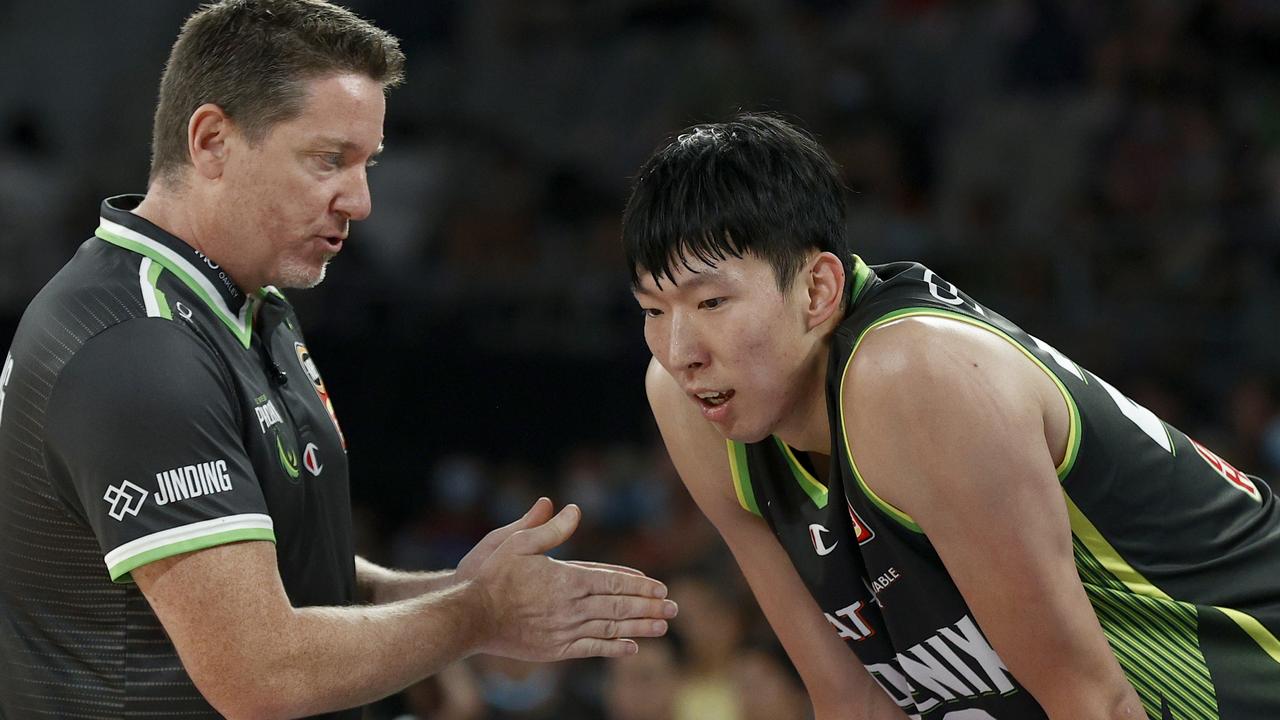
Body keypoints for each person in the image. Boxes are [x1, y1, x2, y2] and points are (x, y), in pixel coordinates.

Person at [0, 2, 675, 718]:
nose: (360, 200)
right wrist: (474, 618)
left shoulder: (247, 303)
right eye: (329, 160)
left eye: (367, 163)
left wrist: (457, 597)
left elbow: (288, 570)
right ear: (211, 141)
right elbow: (260, 674)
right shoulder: (138, 347)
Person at [621, 112, 1280, 719]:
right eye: (654, 310)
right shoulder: (688, 404)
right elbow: (853, 702)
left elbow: (1096, 703)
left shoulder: (915, 377)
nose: (681, 353)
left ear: (818, 289)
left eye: (711, 303)